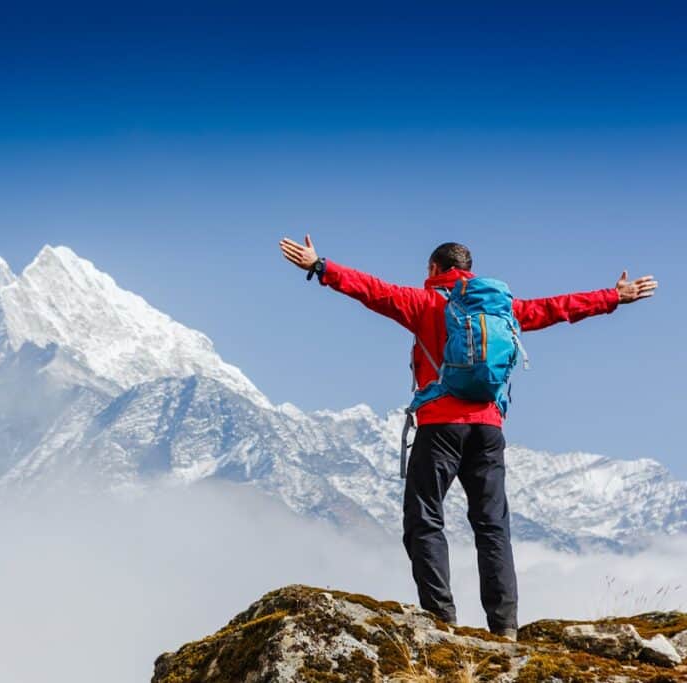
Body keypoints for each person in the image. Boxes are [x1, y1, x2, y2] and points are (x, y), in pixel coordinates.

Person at [278, 234, 658, 639]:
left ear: (433, 270)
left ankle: (441, 620)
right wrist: (613, 297)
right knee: (492, 525)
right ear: (468, 270)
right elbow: (555, 309)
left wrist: (320, 266)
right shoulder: (501, 309)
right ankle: (505, 628)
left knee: (424, 519)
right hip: (489, 428)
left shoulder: (424, 303)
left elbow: (372, 290)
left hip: (440, 426)